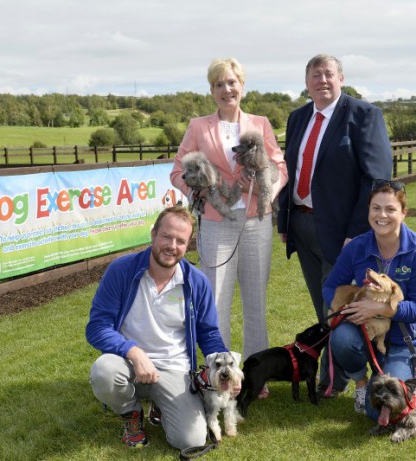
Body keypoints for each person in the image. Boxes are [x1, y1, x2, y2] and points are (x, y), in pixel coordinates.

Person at [170, 58, 288, 397]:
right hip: (216, 224)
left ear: (242, 86)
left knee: (255, 302)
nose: (227, 89)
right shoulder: (197, 127)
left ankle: (255, 376)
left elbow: (279, 164)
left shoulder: (260, 123)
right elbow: (178, 170)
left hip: (256, 223)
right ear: (212, 90)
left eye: (232, 82)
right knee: (216, 302)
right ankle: (217, 378)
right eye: (220, 84)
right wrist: (197, 189)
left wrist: (268, 191)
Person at [276, 53, 392, 395]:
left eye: (328, 74)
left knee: (342, 306)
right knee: (322, 305)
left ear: (340, 78)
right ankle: (336, 374)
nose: (322, 80)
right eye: (315, 75)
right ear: (307, 82)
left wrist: (355, 232)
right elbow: (289, 169)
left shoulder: (363, 115)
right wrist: (285, 218)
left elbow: (375, 178)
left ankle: (348, 376)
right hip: (301, 224)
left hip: (342, 233)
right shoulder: (298, 118)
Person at [86, 206, 228, 450]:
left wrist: (226, 367)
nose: (172, 245)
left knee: (190, 440)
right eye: (166, 236)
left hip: (175, 368)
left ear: (187, 245)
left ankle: (161, 406)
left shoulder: (197, 282)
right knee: (104, 372)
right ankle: (131, 415)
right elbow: (97, 327)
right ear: (153, 234)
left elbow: (209, 333)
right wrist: (133, 351)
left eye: (180, 241)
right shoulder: (121, 270)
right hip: (128, 362)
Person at [322, 179, 416, 416]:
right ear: (368, 211)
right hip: (368, 334)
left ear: (404, 213)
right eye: (376, 208)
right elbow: (330, 285)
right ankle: (362, 383)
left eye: (390, 209)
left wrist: (381, 308)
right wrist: (345, 306)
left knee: (381, 411)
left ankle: (393, 370)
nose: (381, 215)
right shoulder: (357, 247)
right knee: (341, 338)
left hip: (406, 340)